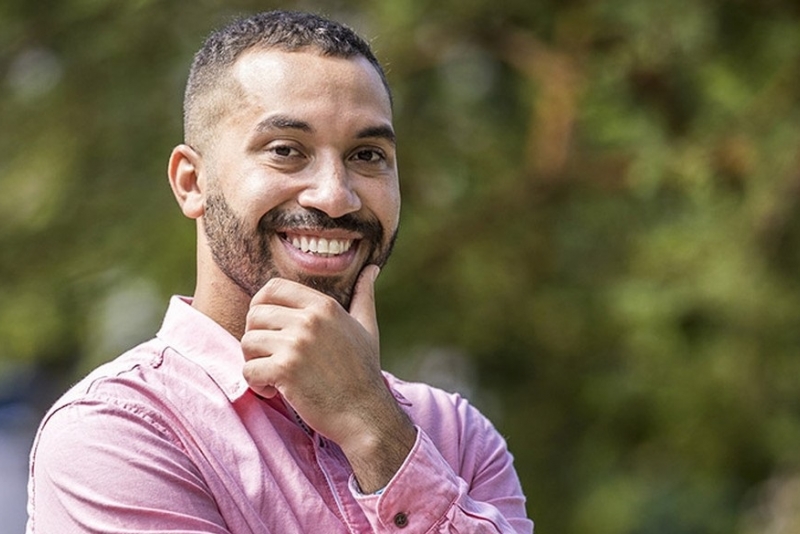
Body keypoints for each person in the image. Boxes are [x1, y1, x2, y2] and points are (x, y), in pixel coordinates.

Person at [26, 10, 533, 533]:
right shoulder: (117, 432)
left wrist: (374, 430)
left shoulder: (458, 436)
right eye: (286, 151)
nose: (335, 196)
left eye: (367, 154)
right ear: (191, 182)